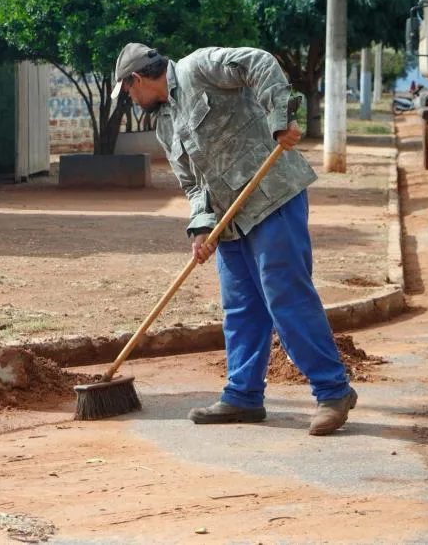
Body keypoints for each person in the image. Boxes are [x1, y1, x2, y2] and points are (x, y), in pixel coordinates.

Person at [111, 43, 357, 436]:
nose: (129, 98)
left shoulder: (198, 68)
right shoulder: (164, 123)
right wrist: (202, 226)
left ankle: (333, 391)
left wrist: (281, 118)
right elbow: (192, 184)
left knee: (285, 295)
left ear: (136, 79)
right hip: (230, 219)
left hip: (272, 195)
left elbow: (257, 62)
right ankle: (243, 395)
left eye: (127, 91)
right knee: (241, 307)